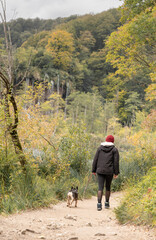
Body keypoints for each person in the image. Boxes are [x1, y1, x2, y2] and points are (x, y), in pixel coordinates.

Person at [92, 135, 119, 211]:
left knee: (100, 187)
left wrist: (93, 170)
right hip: (109, 171)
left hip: (100, 170)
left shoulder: (100, 148)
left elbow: (95, 159)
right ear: (113, 141)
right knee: (108, 187)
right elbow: (116, 162)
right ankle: (106, 203)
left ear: (106, 140)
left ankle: (99, 205)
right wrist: (116, 172)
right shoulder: (114, 150)